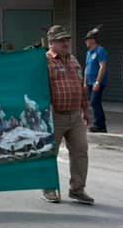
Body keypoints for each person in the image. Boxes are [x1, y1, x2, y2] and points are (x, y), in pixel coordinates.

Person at [44, 25, 94, 205]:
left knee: (80, 151)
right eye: (61, 40)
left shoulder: (73, 60)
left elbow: (81, 86)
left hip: (75, 115)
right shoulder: (45, 62)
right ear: (51, 43)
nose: (65, 43)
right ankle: (49, 188)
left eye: (67, 40)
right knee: (50, 154)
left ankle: (77, 189)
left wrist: (85, 110)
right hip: (54, 115)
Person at [83, 27, 108, 133]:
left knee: (94, 102)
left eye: (87, 40)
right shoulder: (89, 52)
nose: (85, 42)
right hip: (89, 82)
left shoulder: (100, 50)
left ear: (93, 40)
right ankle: (99, 124)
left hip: (97, 82)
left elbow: (103, 66)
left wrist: (98, 82)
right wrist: (84, 82)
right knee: (93, 103)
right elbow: (86, 68)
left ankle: (100, 125)